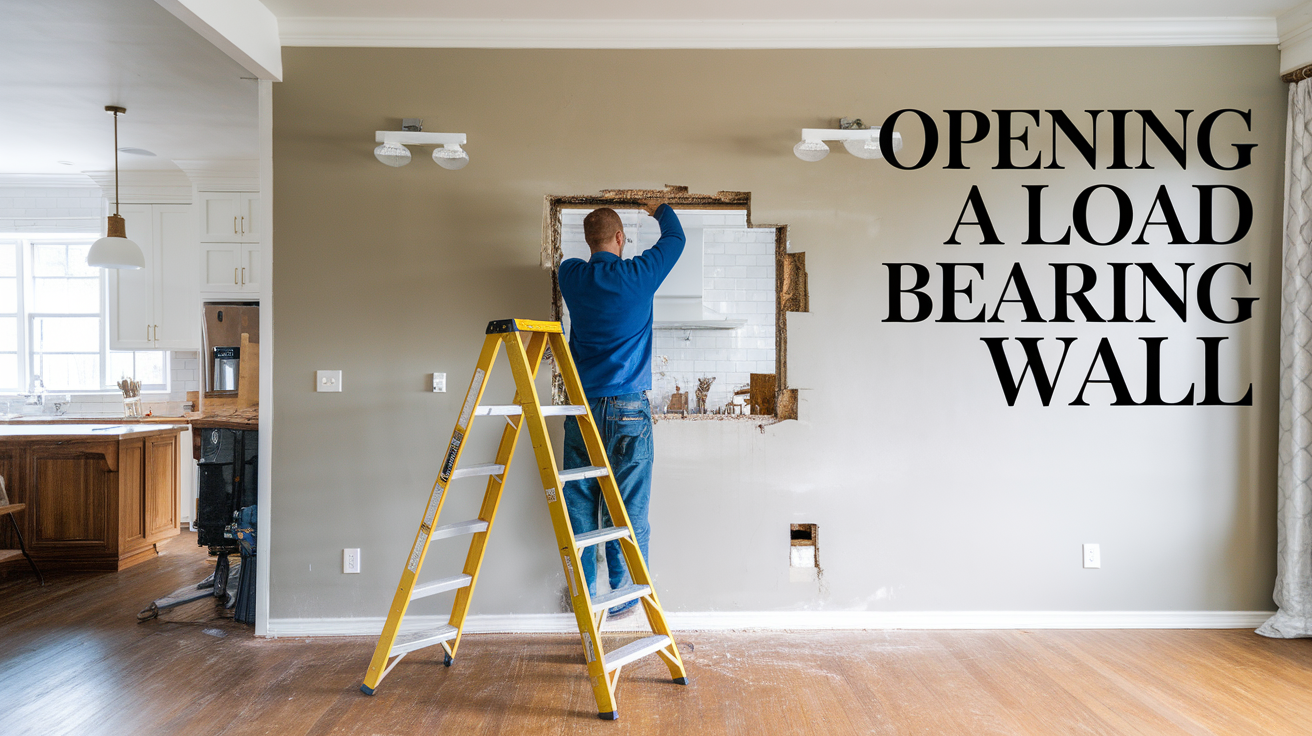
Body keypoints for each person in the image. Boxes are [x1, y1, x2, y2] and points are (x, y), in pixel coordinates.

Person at [557, 200, 684, 618]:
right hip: (629, 407)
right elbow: (675, 238)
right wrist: (660, 208)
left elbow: (575, 263)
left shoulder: (571, 274)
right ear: (620, 238)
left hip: (582, 406)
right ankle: (625, 595)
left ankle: (585, 593)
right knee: (627, 507)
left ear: (588, 240)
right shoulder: (639, 274)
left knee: (580, 498)